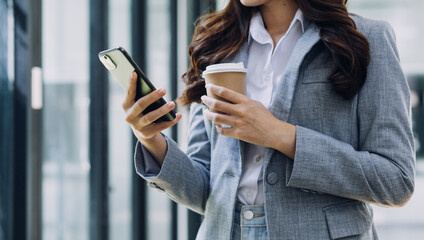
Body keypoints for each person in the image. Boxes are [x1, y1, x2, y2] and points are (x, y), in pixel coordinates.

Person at [122, 0, 415, 239]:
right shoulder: (217, 45)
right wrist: (151, 139)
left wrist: (279, 134)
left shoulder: (366, 38)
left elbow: (396, 180)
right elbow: (205, 191)